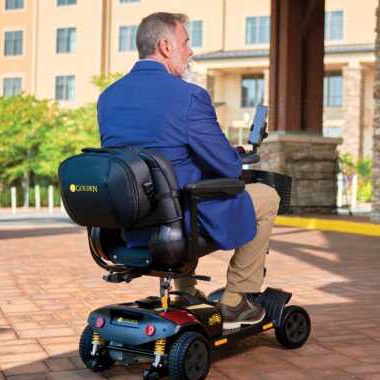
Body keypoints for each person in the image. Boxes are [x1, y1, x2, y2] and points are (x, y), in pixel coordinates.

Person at [97, 12, 280, 330]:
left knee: (175, 189)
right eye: (186, 42)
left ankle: (184, 290)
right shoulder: (190, 96)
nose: (191, 51)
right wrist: (232, 157)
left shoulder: (108, 97)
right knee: (266, 195)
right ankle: (236, 299)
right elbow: (226, 166)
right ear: (166, 46)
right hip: (181, 217)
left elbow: (146, 154)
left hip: (131, 218)